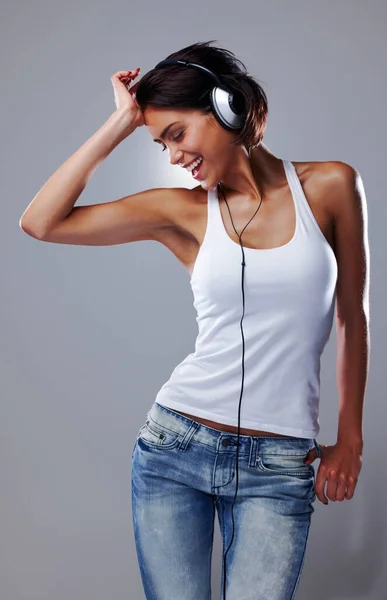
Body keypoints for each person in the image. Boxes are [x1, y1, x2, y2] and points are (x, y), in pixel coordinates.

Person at [20, 40, 369, 600]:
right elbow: (40, 221)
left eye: (177, 135)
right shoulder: (180, 212)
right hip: (175, 446)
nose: (173, 156)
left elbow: (354, 313)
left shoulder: (329, 187)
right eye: (159, 143)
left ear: (228, 109)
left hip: (278, 465)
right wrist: (120, 123)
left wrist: (349, 437)